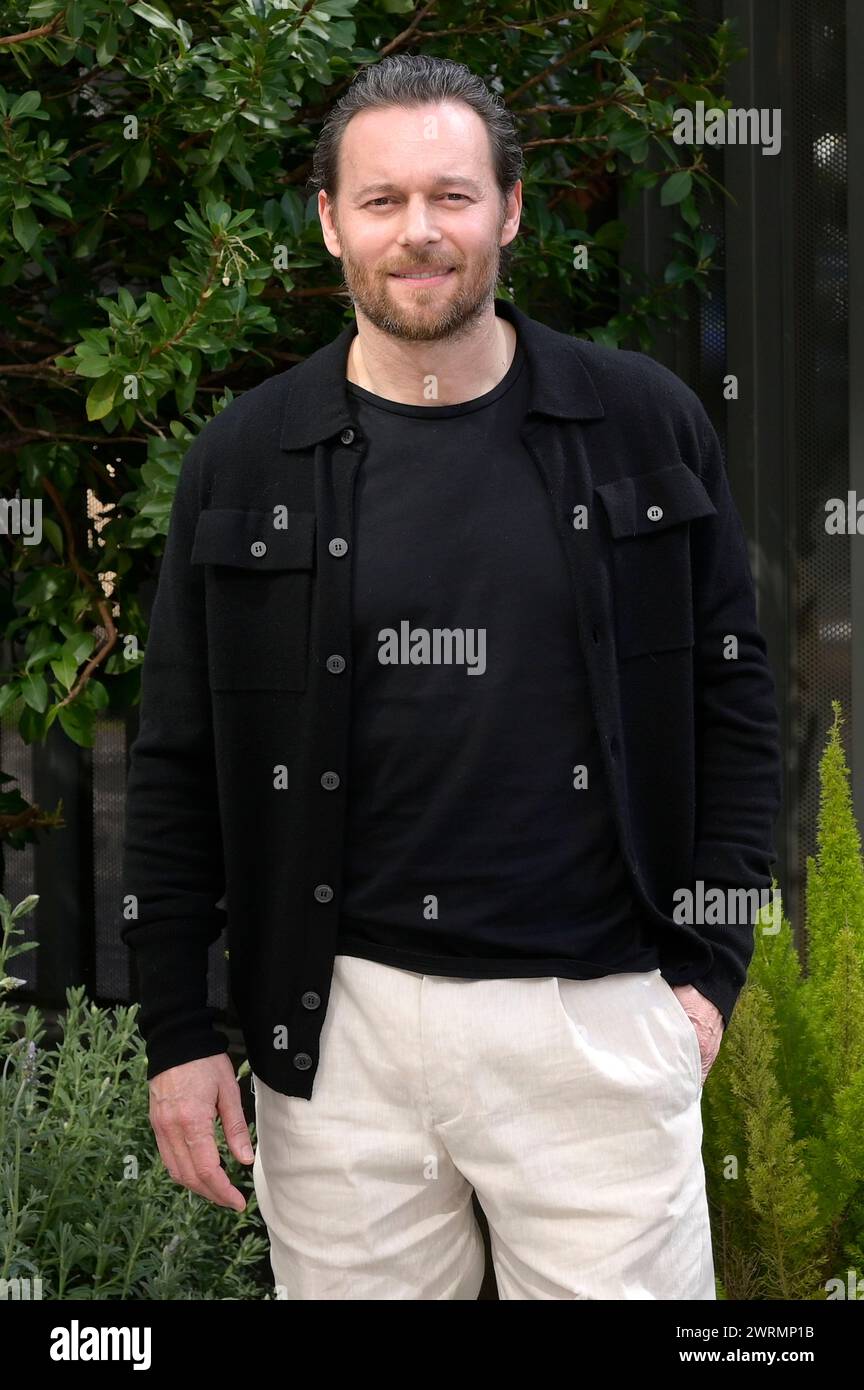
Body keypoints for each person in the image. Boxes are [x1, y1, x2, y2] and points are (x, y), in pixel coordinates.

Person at [122, 54, 783, 1300]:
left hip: (593, 1020)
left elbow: (733, 706)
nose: (419, 232)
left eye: (452, 195)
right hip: (342, 1039)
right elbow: (176, 758)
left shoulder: (641, 423)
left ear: (511, 208)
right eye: (380, 201)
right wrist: (177, 1033)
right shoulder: (248, 456)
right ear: (326, 222)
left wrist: (706, 974)